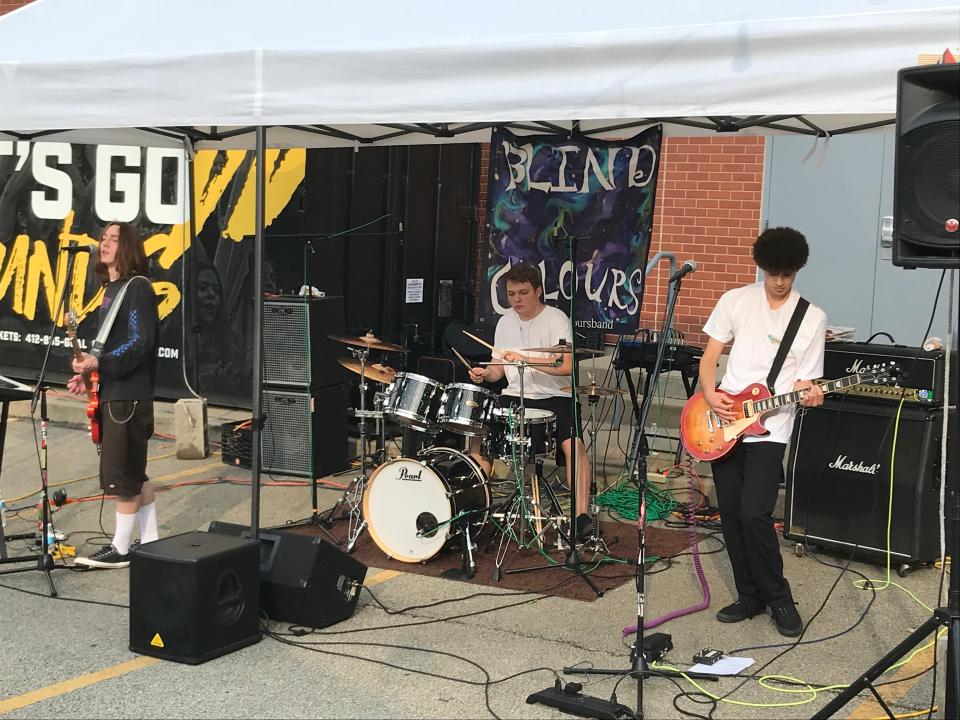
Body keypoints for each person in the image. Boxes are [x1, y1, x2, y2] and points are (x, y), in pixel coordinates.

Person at [698, 226, 827, 637]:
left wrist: (812, 394)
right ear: (761, 266)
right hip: (725, 421)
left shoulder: (812, 317)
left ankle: (780, 599)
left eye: (787, 273)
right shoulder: (735, 300)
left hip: (771, 427)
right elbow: (710, 356)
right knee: (732, 516)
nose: (779, 281)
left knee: (755, 513)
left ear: (797, 270)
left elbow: (806, 381)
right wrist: (708, 392)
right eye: (773, 272)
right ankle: (748, 596)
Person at [467, 262, 593, 539]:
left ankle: (581, 515)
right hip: (515, 395)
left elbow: (566, 366)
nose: (516, 300)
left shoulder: (556, 318)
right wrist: (484, 373)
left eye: (523, 293)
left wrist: (525, 359)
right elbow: (498, 370)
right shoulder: (504, 322)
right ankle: (474, 507)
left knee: (574, 446)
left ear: (538, 291)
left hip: (555, 396)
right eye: (511, 294)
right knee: (481, 435)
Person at [68, 222, 160, 568]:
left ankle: (121, 549)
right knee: (135, 472)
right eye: (102, 238)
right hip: (115, 391)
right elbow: (111, 346)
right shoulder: (114, 289)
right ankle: (151, 543)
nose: (104, 244)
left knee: (123, 476)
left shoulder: (137, 288)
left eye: (113, 239)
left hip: (129, 397)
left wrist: (100, 362)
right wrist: (90, 374)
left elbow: (140, 343)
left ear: (129, 247)